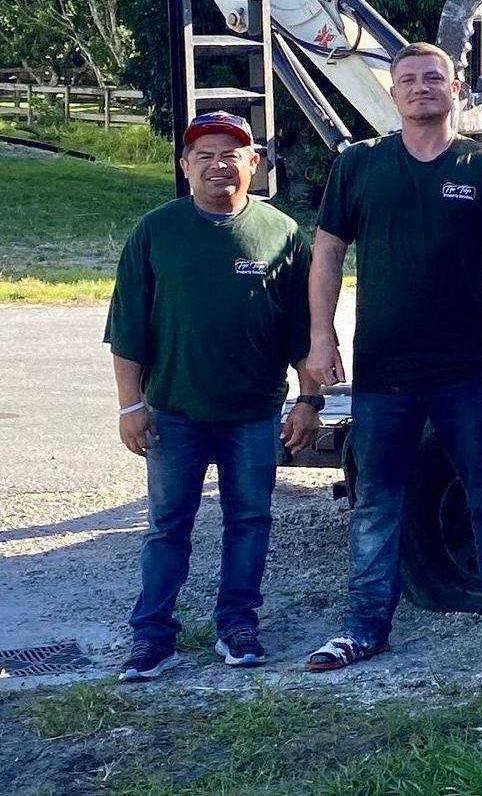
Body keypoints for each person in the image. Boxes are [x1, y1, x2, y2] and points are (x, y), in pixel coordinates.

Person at [303, 41, 482, 671]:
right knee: (378, 500)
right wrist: (321, 337)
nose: (420, 87)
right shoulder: (359, 166)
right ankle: (363, 628)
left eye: (433, 78)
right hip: (384, 373)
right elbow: (327, 251)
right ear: (393, 93)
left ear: (456, 89)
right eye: (407, 79)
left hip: (468, 370)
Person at [106, 111, 320, 681]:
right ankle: (152, 637)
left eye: (231, 154)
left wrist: (308, 400)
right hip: (174, 413)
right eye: (203, 155)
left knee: (250, 519)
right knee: (168, 524)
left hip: (254, 413)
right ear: (184, 166)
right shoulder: (156, 231)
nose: (217, 164)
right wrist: (131, 405)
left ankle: (238, 626)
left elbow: (306, 328)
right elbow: (127, 329)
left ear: (253, 164)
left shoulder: (282, 234)